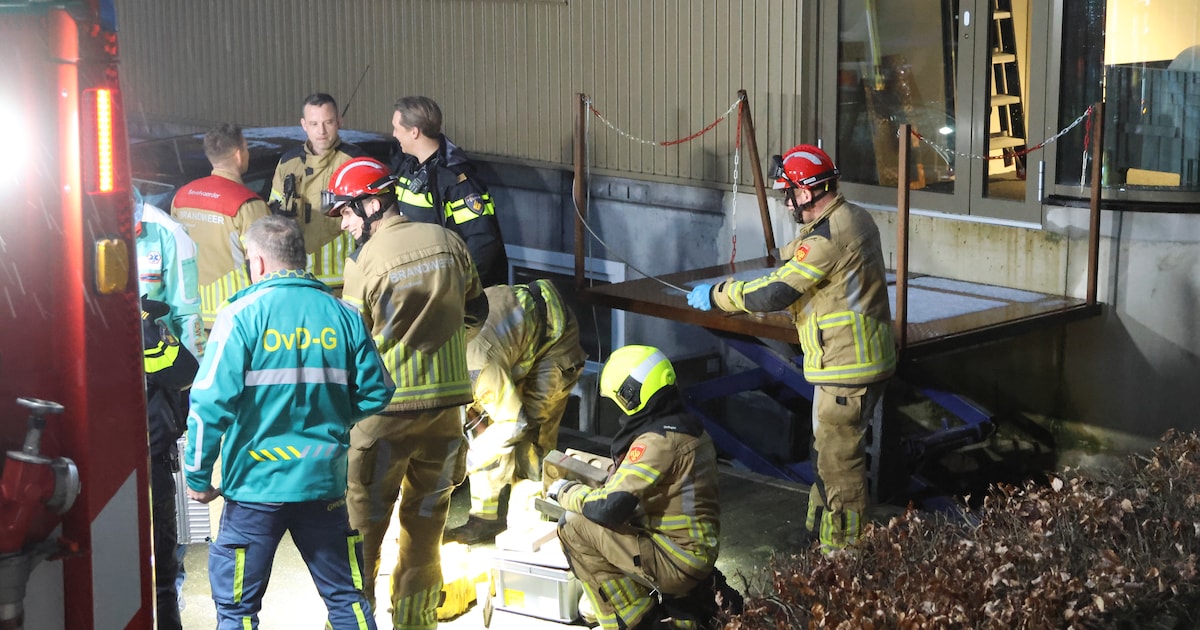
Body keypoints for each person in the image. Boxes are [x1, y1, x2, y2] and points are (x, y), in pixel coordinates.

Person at [183, 215, 394, 630]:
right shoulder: (344, 315)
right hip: (323, 481)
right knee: (346, 599)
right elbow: (378, 391)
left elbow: (209, 405)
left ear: (258, 262)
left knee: (237, 609)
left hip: (255, 488)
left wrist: (197, 475)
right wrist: (333, 417)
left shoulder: (240, 315)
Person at [686, 144, 896, 552]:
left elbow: (777, 292)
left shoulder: (829, 238)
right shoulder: (852, 217)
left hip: (845, 366)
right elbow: (801, 256)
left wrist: (719, 295)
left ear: (808, 192)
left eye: (789, 193)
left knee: (840, 466)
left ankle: (845, 555)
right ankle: (821, 534)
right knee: (828, 452)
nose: (786, 201)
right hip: (858, 359)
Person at [325, 156, 488, 629]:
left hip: (384, 417)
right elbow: (475, 313)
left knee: (363, 533)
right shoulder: (449, 240)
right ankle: (415, 625)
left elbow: (351, 346)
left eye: (348, 213)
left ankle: (357, 623)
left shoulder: (365, 262)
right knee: (424, 532)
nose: (344, 225)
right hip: (445, 419)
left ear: (373, 202)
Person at [549, 345, 738, 630]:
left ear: (630, 394)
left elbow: (608, 508)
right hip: (693, 555)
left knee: (573, 525)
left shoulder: (658, 441)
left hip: (677, 562)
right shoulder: (686, 427)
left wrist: (565, 491)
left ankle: (637, 620)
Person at [445, 280, 588, 545]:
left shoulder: (477, 366)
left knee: (531, 436)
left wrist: (466, 463)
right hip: (515, 343)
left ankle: (525, 530)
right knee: (482, 432)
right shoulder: (442, 363)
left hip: (553, 336)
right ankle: (485, 519)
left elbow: (514, 423)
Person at [134, 187, 205, 613]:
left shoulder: (166, 234)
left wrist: (186, 398)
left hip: (152, 398)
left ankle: (166, 605)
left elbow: (187, 317)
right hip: (95, 400)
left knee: (159, 513)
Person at [390, 95, 509, 287]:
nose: (394, 134)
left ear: (414, 132)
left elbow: (483, 242)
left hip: (447, 292)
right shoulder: (408, 167)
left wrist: (455, 287)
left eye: (397, 128)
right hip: (417, 284)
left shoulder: (458, 181)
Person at [170, 123, 272, 328]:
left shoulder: (181, 197)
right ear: (238, 154)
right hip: (233, 318)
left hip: (190, 316)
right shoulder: (248, 204)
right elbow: (267, 267)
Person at [141, 296, 199, 630]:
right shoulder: (146, 333)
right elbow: (188, 372)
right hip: (152, 469)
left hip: (106, 473)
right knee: (162, 579)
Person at [268, 92, 366, 290]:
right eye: (314, 124)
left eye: (328, 122)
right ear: (303, 125)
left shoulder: (354, 162)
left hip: (342, 280)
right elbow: (273, 217)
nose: (321, 131)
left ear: (339, 121)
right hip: (297, 278)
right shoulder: (288, 163)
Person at [135, 187, 205, 357]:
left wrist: (196, 372)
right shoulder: (82, 226)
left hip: (158, 363)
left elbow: (187, 314)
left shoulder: (170, 232)